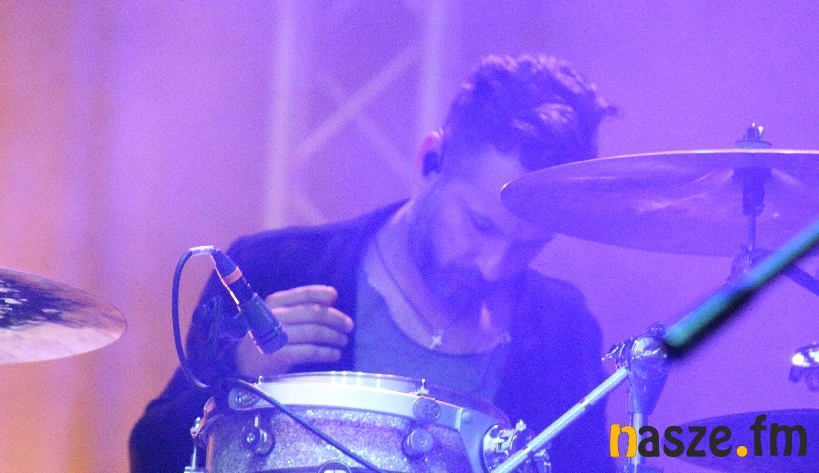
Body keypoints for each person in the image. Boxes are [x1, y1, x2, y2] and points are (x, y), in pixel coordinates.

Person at [130, 53, 617, 472]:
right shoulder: (276, 269)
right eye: (480, 226)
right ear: (430, 161)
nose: (494, 267)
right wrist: (235, 375)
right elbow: (152, 451)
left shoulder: (562, 333)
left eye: (529, 245)